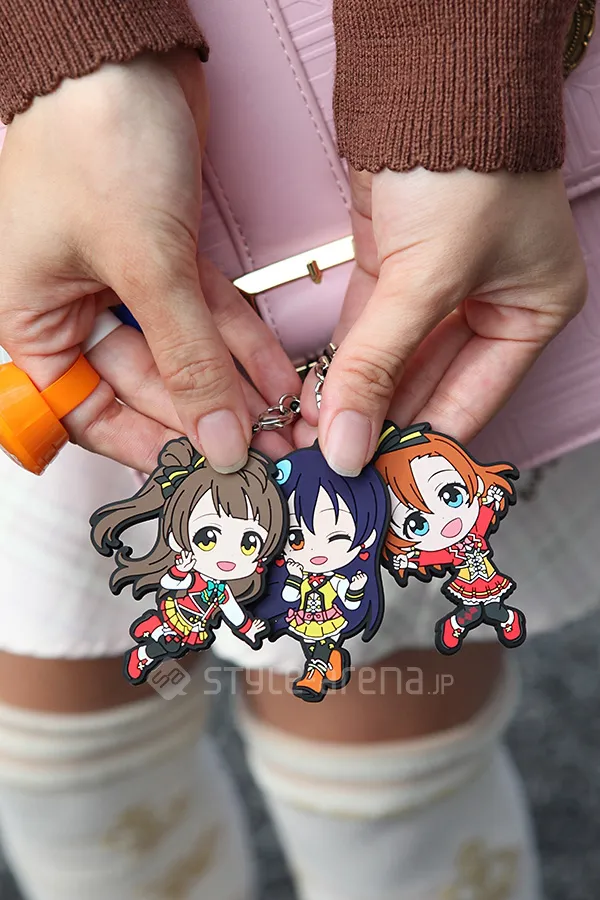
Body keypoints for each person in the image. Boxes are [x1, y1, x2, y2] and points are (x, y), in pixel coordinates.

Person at [0, 2, 596, 900]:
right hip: (45, 162)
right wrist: (61, 51)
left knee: (383, 743)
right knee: (52, 725)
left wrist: (463, 82)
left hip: (414, 160)